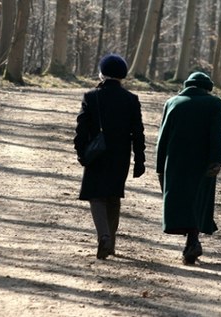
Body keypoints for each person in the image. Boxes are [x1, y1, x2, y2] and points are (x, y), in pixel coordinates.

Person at [74, 53, 146, 260]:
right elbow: (138, 133)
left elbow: (81, 129)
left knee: (96, 196)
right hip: (120, 156)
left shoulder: (91, 97)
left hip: (97, 154)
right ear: (122, 76)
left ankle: (104, 237)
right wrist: (139, 160)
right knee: (113, 197)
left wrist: (82, 153)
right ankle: (111, 242)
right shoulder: (131, 99)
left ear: (102, 73)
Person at [156, 71, 221, 265]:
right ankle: (192, 241)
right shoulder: (214, 104)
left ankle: (191, 243)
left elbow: (163, 137)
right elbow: (217, 134)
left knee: (180, 199)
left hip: (175, 160)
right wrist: (217, 160)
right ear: (207, 88)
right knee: (198, 200)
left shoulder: (172, 102)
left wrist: (160, 165)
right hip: (203, 161)